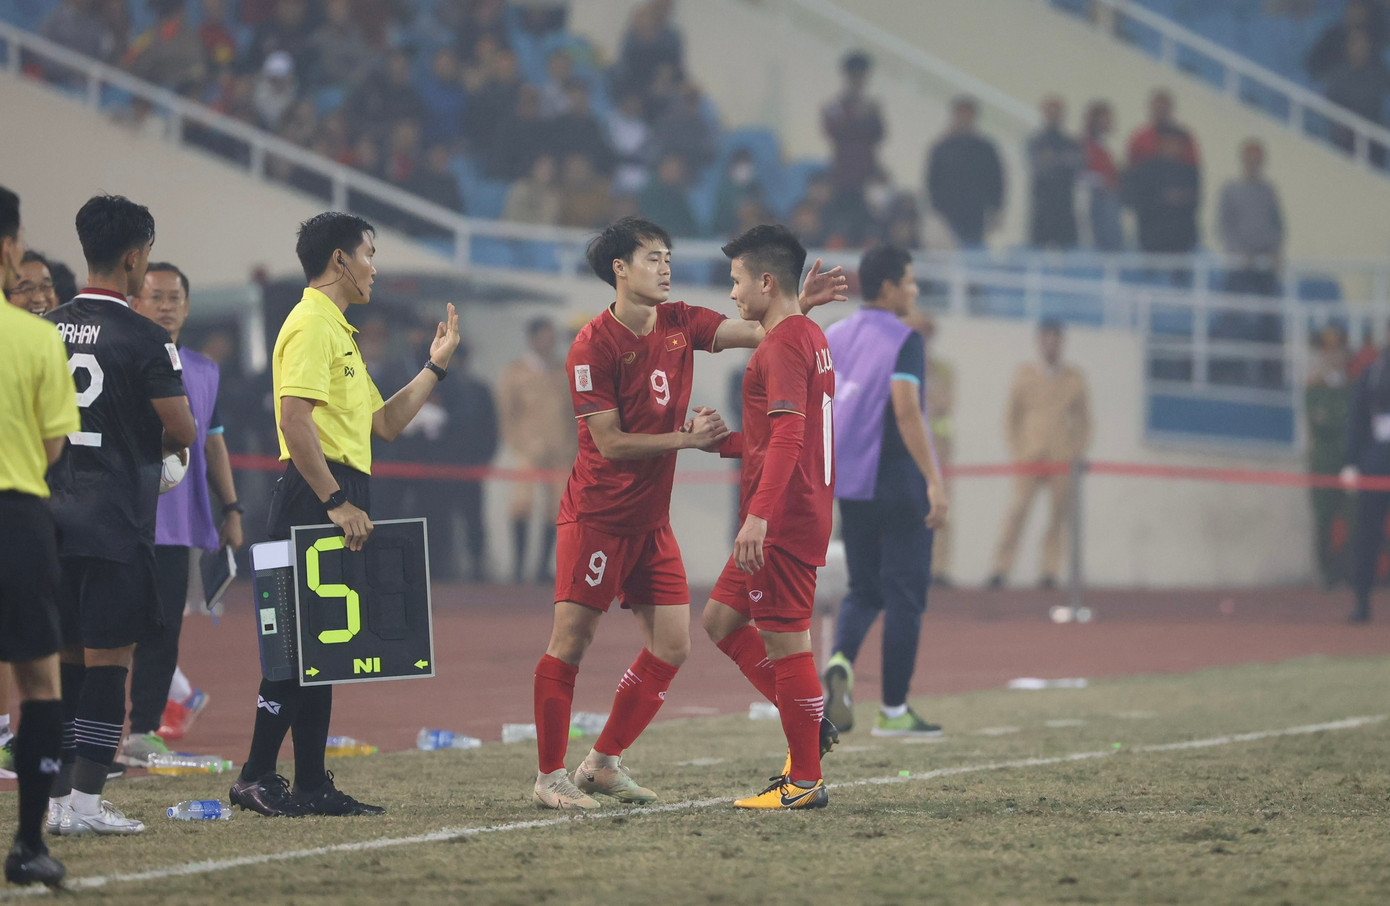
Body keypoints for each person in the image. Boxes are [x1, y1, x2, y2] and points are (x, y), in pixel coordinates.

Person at [531, 217, 844, 810]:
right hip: (598, 517)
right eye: (653, 258)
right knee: (571, 642)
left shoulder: (680, 321)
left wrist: (795, 302)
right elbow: (609, 443)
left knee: (675, 645)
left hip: (652, 523)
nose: (666, 267)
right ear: (620, 269)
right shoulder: (591, 345)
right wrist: (689, 440)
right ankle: (549, 776)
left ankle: (601, 764)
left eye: (668, 257)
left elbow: (761, 329)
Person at [229, 212, 460, 817]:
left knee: (324, 646)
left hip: (336, 486)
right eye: (368, 254)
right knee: (296, 643)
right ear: (340, 260)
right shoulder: (311, 324)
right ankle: (254, 776)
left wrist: (434, 366)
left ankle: (311, 784)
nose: (373, 267)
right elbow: (294, 420)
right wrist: (335, 500)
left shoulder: (339, 330)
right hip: (316, 491)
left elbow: (383, 423)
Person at [44, 195, 198, 837]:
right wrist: (137, 441)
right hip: (113, 520)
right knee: (109, 665)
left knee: (64, 667)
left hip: (50, 518)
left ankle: (55, 800)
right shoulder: (145, 337)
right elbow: (182, 430)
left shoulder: (44, 327)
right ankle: (84, 805)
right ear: (134, 258)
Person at [701, 225, 836, 809]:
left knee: (788, 646)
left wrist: (758, 517)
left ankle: (804, 780)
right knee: (719, 620)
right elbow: (780, 437)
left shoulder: (780, 347)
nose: (731, 293)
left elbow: (788, 437)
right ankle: (809, 722)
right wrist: (726, 443)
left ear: (765, 281)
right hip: (792, 508)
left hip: (780, 519)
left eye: (736, 281)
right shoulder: (807, 334)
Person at [819, 245, 949, 739]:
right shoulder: (905, 339)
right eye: (910, 281)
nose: (914, 291)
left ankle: (840, 659)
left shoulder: (835, 334)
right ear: (890, 287)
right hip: (897, 479)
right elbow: (906, 408)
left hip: (851, 483)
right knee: (905, 596)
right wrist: (933, 479)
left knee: (864, 588)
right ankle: (893, 710)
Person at [120, 263, 244, 765]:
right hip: (118, 516)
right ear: (136, 302)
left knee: (162, 630)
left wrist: (231, 508)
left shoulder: (204, 370)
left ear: (188, 307)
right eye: (157, 296)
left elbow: (214, 443)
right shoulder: (118, 357)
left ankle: (143, 731)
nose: (166, 306)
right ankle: (83, 732)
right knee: (103, 627)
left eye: (175, 298)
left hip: (176, 526)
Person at [0, 185, 79, 887]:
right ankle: (28, 844)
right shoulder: (35, 337)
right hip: (17, 515)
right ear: (8, 246)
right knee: (38, 680)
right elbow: (54, 447)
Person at [987, 319, 1091, 589]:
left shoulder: (1074, 378)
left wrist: (1075, 451)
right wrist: (1017, 449)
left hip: (1061, 457)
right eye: (1046, 339)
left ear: (1062, 342)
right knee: (1016, 513)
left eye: (1056, 340)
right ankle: (1000, 568)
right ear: (1039, 342)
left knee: (1057, 516)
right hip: (1029, 456)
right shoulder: (1024, 375)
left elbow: (1084, 420)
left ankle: (1049, 571)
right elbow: (1011, 416)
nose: (1051, 345)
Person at [499, 318, 575, 584]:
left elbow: (573, 411)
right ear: (532, 339)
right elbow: (507, 412)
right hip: (528, 449)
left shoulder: (563, 370)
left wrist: (573, 445)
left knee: (556, 509)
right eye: (544, 336)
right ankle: (518, 567)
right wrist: (517, 443)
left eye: (551, 337)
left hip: (561, 448)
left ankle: (542, 567)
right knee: (521, 504)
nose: (549, 342)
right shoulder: (516, 372)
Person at [1341, 325, 1390, 624]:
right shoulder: (1374, 373)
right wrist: (1351, 462)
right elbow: (1357, 418)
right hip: (1376, 465)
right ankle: (1362, 602)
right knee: (1367, 536)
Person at [926, 96, 1005, 248]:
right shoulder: (942, 148)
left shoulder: (985, 148)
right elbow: (932, 180)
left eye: (967, 113)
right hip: (947, 214)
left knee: (972, 251)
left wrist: (996, 208)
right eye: (960, 113)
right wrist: (935, 210)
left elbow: (996, 180)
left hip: (976, 212)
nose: (964, 118)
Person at [1308, 326, 1352, 590]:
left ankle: (1346, 570)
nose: (1334, 356)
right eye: (1329, 350)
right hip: (1324, 463)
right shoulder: (1315, 386)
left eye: (1338, 350)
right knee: (1323, 520)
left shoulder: (1352, 385)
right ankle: (1326, 573)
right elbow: (1322, 422)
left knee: (1353, 520)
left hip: (1349, 461)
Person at [1122, 127, 1201, 254]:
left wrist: (1181, 197)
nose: (1172, 147)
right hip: (1152, 239)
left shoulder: (1189, 172)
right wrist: (1162, 198)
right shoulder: (1146, 171)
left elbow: (1196, 200)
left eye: (1176, 143)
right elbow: (1134, 199)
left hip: (1182, 240)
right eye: (1168, 143)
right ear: (1160, 144)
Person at [822, 51, 885, 198]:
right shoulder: (836, 106)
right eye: (855, 75)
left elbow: (880, 135)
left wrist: (871, 115)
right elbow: (832, 132)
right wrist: (856, 118)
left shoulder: (871, 106)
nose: (859, 80)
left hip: (867, 173)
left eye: (862, 76)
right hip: (843, 173)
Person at [1027, 96, 1084, 250]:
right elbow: (1041, 167)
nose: (1054, 115)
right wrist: (1061, 161)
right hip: (1042, 207)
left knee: (1069, 250)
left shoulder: (1071, 143)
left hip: (1065, 206)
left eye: (1057, 111)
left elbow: (1077, 166)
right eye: (1050, 111)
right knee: (1038, 252)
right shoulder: (1036, 142)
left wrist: (1055, 161)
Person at [1081, 100, 1123, 251]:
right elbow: (1079, 176)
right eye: (1105, 118)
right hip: (1098, 200)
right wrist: (1100, 181)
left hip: (1111, 199)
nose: (1109, 121)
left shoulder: (1105, 145)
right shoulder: (1085, 145)